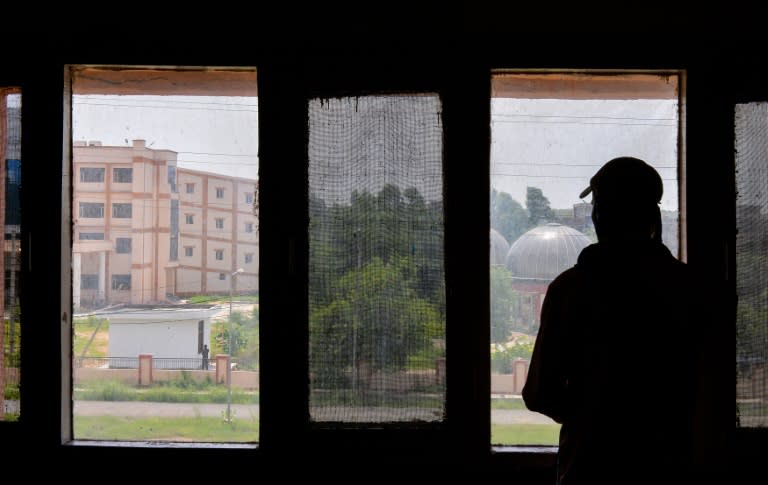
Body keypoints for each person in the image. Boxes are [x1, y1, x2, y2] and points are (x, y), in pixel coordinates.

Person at [522, 157, 730, 485]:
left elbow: (538, 393)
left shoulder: (572, 289)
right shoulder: (692, 289)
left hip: (590, 468)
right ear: (652, 218)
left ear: (600, 216)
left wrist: (593, 416)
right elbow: (714, 389)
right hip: (672, 468)